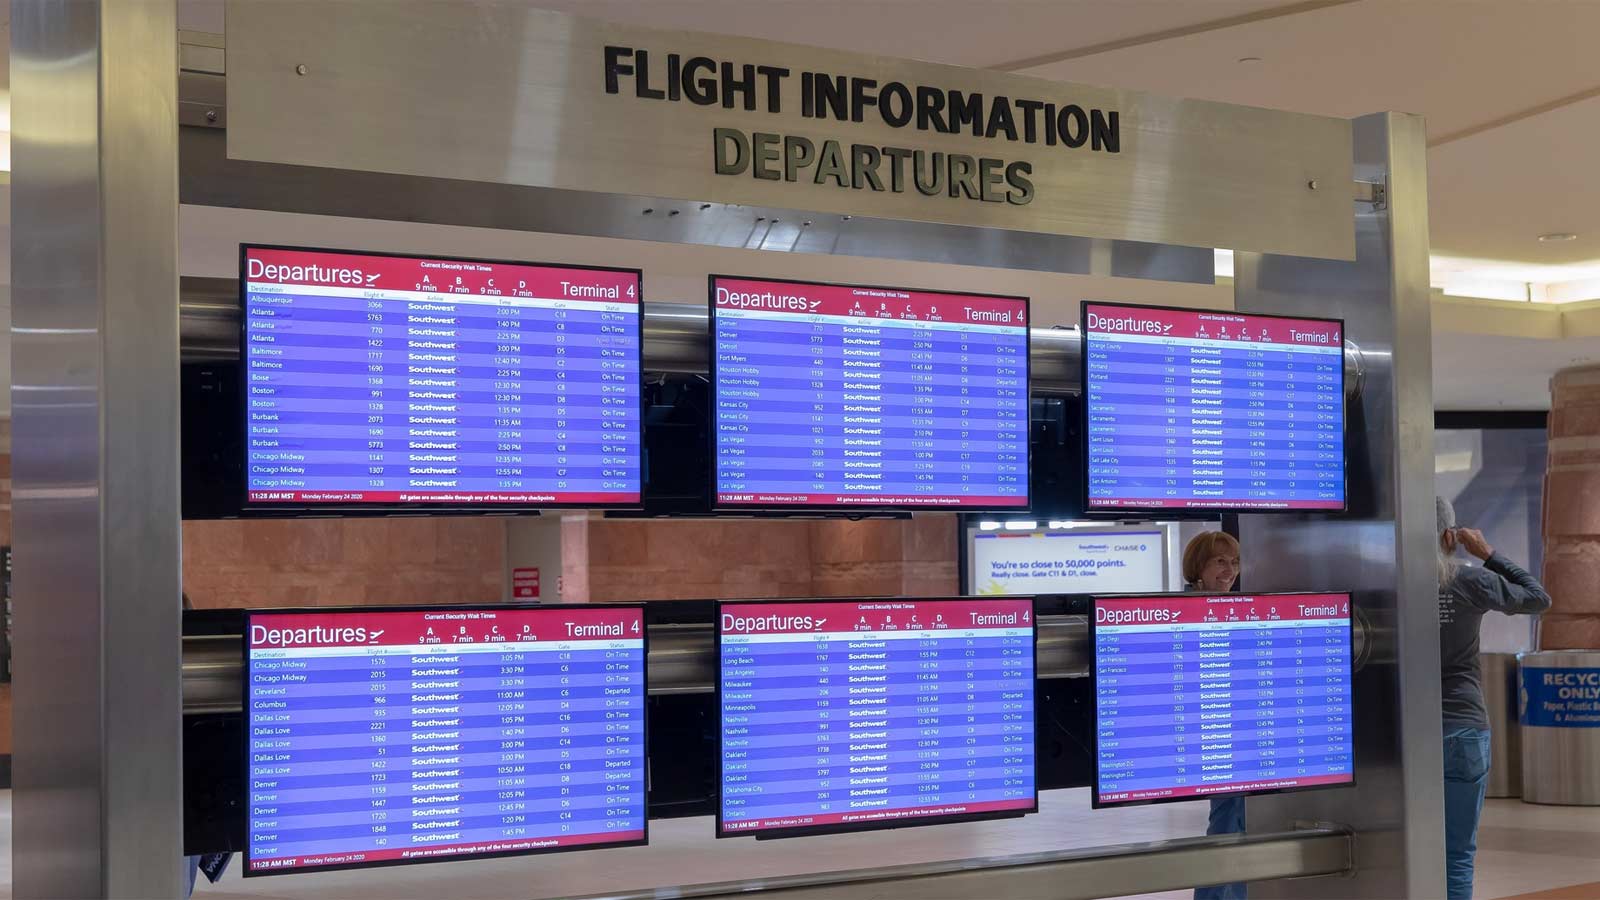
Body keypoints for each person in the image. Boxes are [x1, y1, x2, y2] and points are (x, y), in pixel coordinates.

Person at [1435, 497, 1550, 900]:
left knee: (1406, 848)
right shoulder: (1470, 581)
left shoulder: (1394, 583)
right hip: (1464, 729)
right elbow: (1538, 598)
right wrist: (1488, 554)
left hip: (1408, 733)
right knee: (1458, 854)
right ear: (1450, 537)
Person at [1182, 531, 1246, 900]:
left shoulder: (1237, 607)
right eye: (1220, 561)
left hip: (1236, 728)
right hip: (1216, 732)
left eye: (1234, 562)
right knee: (1227, 820)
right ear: (1199, 567)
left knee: (1238, 819)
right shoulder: (1186, 610)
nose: (1229, 570)